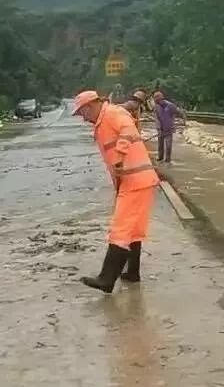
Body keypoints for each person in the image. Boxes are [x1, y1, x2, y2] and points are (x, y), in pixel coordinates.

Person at [72, 90, 160, 294]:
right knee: (133, 230)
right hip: (135, 180)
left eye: (82, 113)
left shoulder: (112, 113)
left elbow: (129, 130)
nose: (83, 118)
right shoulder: (105, 118)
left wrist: (119, 156)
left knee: (120, 229)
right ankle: (132, 273)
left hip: (135, 180)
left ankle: (106, 278)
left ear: (91, 105)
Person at [153, 91, 185, 164]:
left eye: (157, 100)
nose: (156, 101)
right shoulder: (156, 107)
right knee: (160, 145)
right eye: (155, 100)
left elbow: (180, 113)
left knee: (168, 145)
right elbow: (157, 118)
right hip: (161, 129)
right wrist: (159, 128)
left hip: (169, 129)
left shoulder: (170, 106)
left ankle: (167, 160)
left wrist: (183, 122)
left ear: (161, 98)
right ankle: (160, 158)